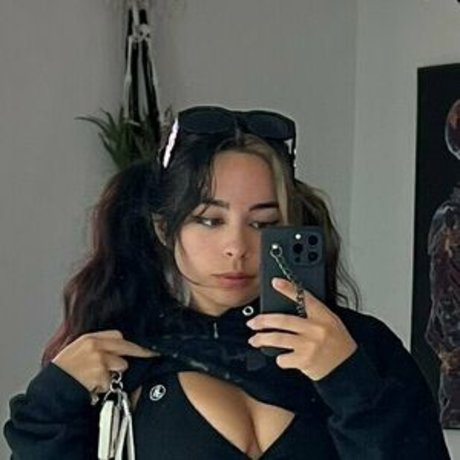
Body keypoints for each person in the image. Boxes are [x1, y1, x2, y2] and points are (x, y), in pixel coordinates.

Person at [4, 106, 451, 459]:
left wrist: (348, 381)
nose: (237, 247)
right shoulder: (124, 355)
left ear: (289, 227)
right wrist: (55, 398)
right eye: (209, 220)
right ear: (164, 228)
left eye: (263, 222)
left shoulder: (361, 350)